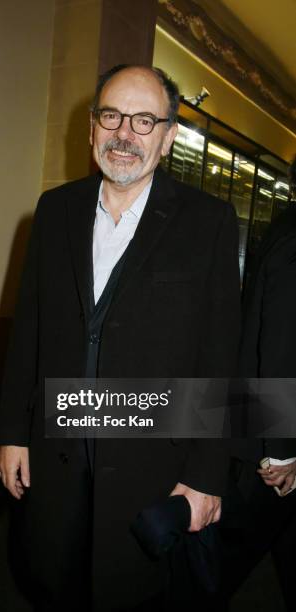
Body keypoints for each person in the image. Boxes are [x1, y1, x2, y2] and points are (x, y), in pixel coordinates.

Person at [0, 64, 241, 611]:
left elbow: (219, 358)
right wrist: (13, 430)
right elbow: (29, 330)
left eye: (144, 120)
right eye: (112, 115)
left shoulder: (210, 222)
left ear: (169, 135)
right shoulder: (54, 210)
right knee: (55, 582)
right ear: (91, 127)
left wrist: (206, 477)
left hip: (151, 465)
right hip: (57, 454)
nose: (125, 133)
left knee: (134, 594)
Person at [223, 157, 296, 610]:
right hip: (271, 444)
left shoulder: (284, 229)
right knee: (219, 563)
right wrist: (284, 449)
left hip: (268, 432)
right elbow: (282, 350)